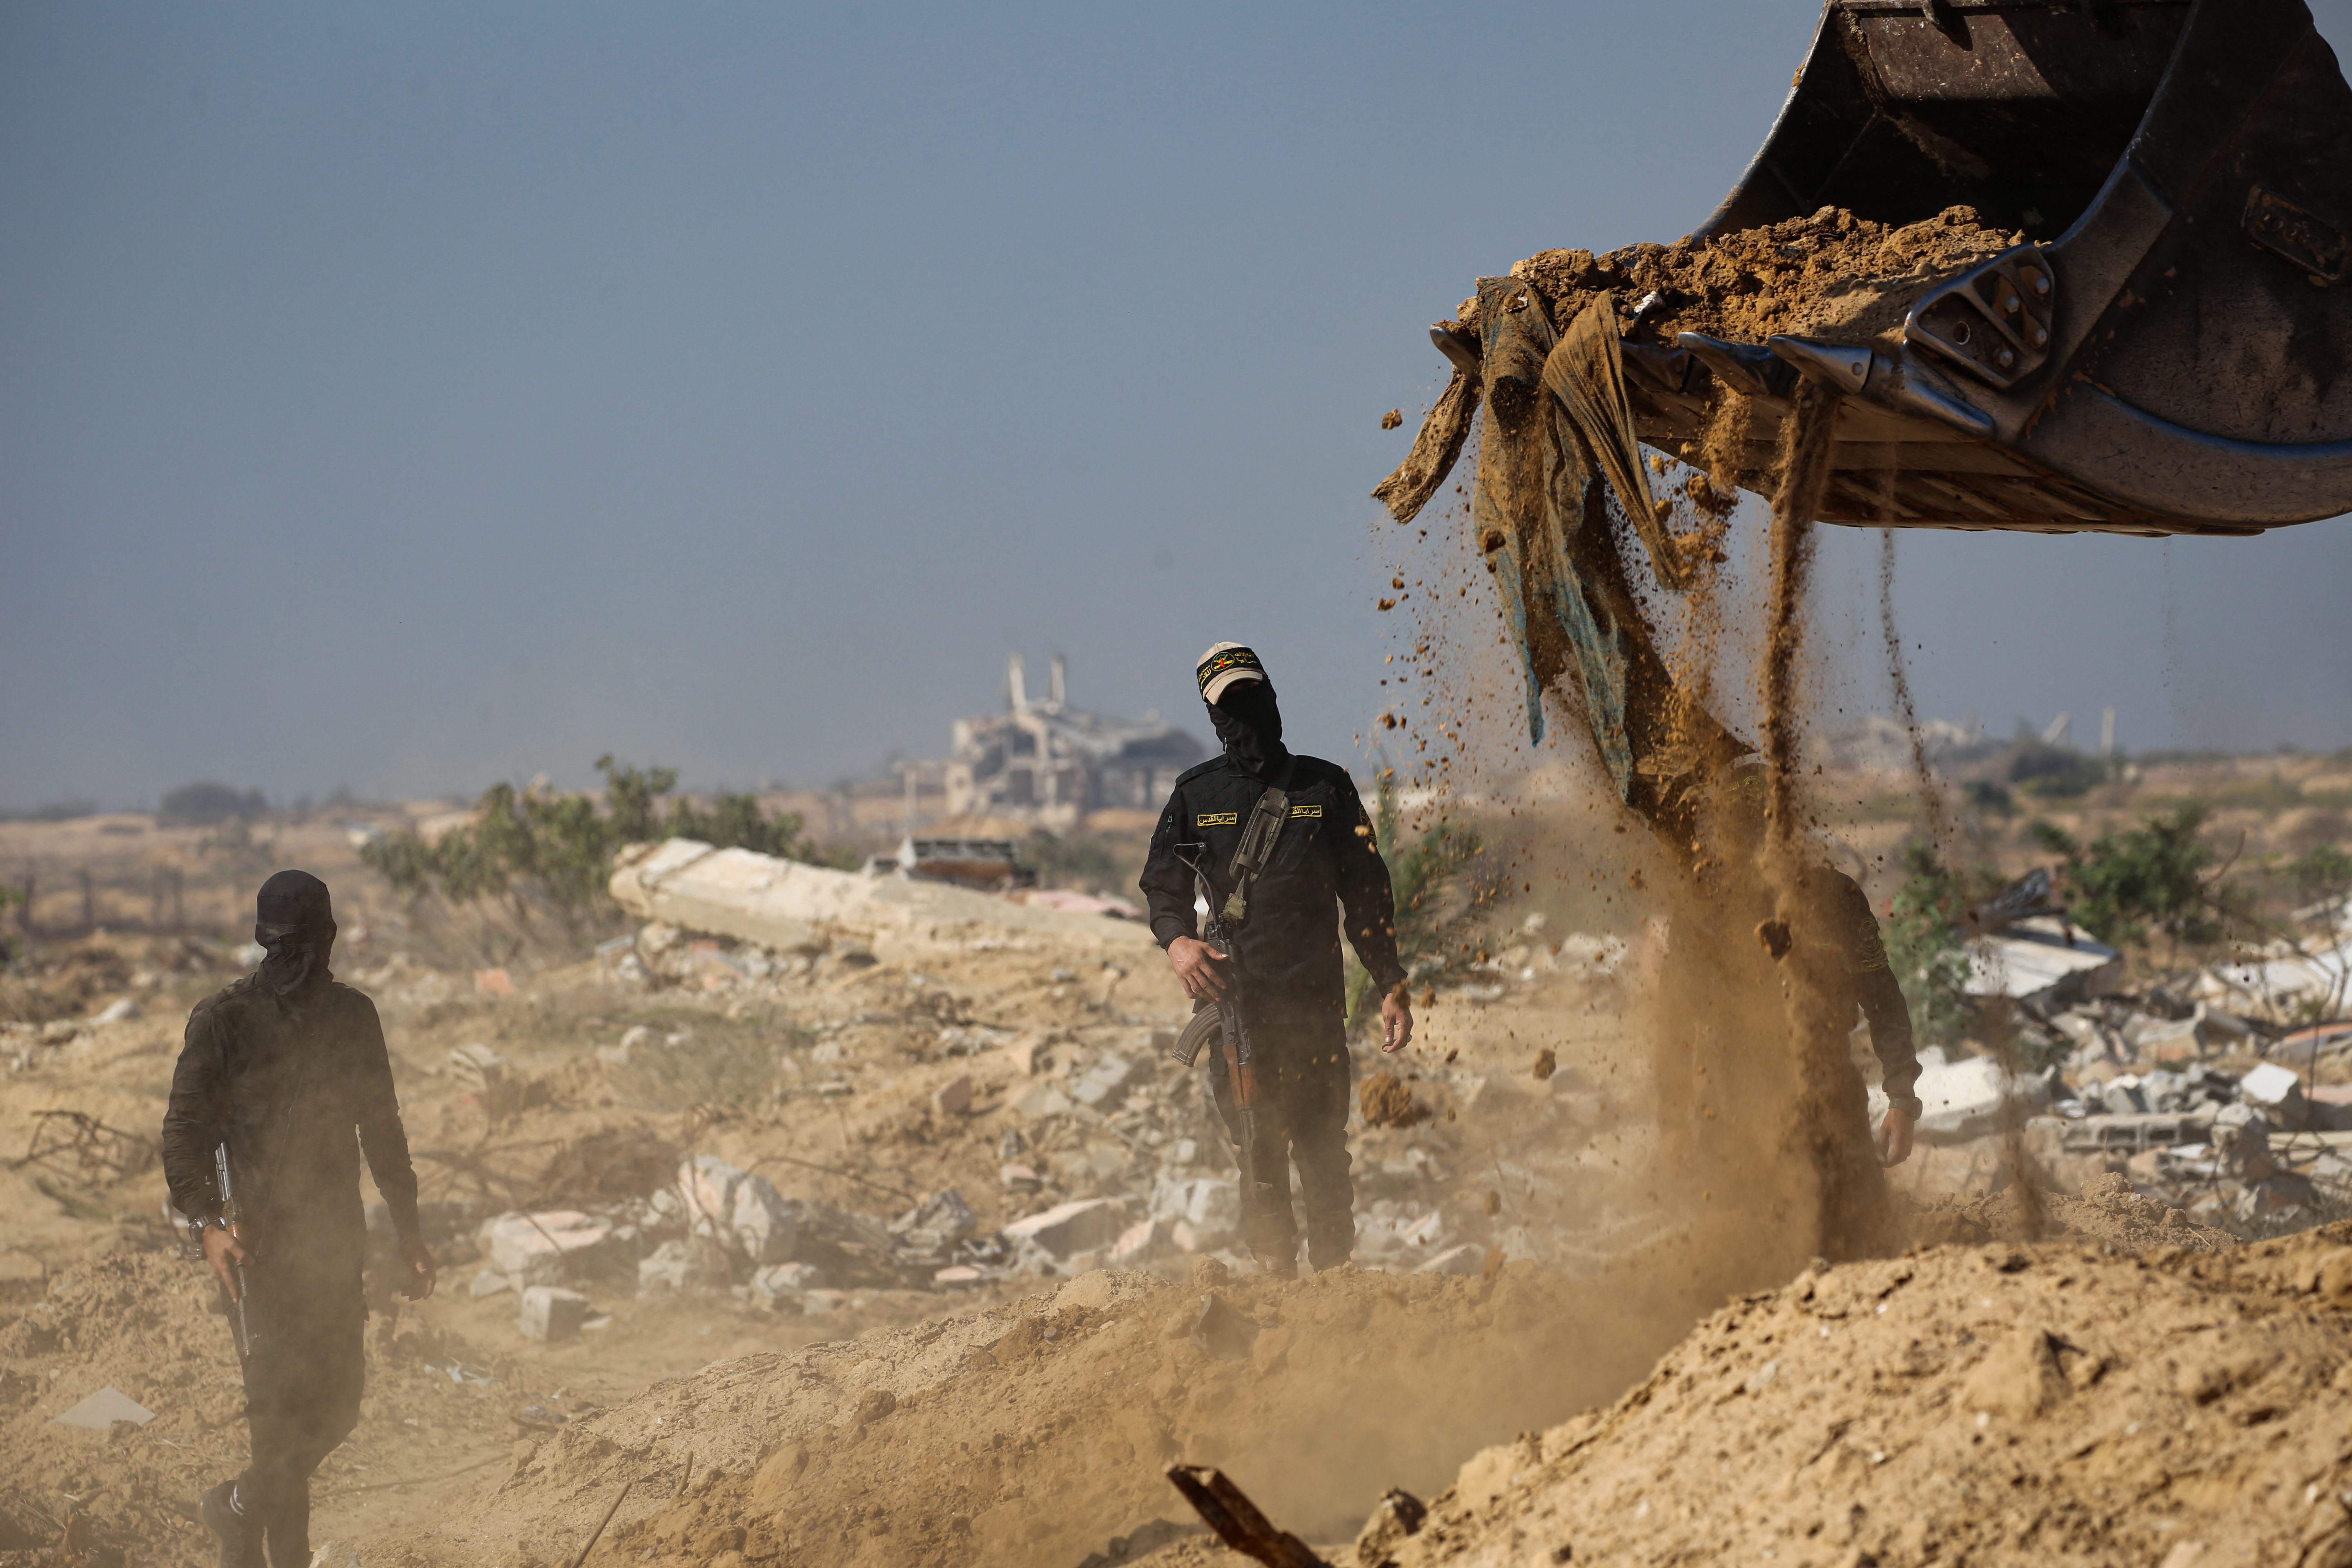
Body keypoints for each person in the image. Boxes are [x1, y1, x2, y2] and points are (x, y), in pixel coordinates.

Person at [162, 870, 436, 1568]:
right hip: (256, 1255)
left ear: (330, 941)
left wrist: (409, 1232)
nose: (302, 963)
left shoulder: (353, 1017)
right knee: (278, 1426)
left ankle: (236, 1509)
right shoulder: (223, 1021)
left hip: (334, 1245)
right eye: (287, 949)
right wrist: (207, 1227)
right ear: (265, 943)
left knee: (340, 1408)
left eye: (310, 947)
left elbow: (384, 1132)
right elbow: (184, 1136)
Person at [1139, 642, 1412, 1278]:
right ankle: (1277, 1287)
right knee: (1258, 1152)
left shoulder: (1325, 786)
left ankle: (1336, 1283)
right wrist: (1179, 943)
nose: (1246, 715)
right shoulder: (1196, 794)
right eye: (1230, 705)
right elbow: (1162, 889)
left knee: (1323, 1152)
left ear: (1271, 695)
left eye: (1251, 696)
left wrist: (1390, 981)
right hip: (1238, 1011)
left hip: (1315, 1008)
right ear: (1214, 716)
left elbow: (1367, 895)